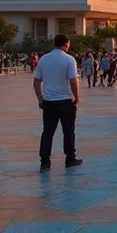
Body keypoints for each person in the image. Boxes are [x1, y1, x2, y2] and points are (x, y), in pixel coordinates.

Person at [33, 34, 82, 171]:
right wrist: (76, 97)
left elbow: (36, 81)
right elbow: (73, 81)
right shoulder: (69, 60)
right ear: (67, 44)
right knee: (68, 132)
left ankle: (45, 161)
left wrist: (40, 98)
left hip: (49, 102)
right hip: (65, 101)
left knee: (48, 132)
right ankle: (70, 158)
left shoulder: (43, 59)